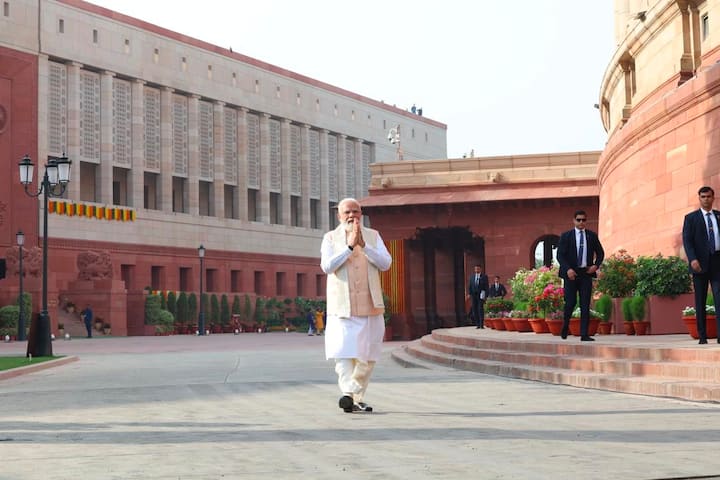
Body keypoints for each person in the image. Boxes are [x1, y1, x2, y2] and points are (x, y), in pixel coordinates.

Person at [320, 198, 392, 413]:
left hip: (370, 305)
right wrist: (349, 246)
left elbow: (386, 264)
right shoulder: (330, 238)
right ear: (339, 215)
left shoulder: (374, 236)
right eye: (347, 212)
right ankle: (350, 393)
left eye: (356, 212)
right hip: (342, 307)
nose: (352, 216)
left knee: (367, 356)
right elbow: (327, 266)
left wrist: (364, 246)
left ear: (361, 214)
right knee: (343, 353)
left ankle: (353, 396)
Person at [557, 210, 605, 341]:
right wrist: (567, 269)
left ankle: (584, 334)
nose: (581, 222)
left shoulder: (591, 236)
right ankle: (565, 326)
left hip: (585, 273)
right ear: (574, 220)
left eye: (583, 220)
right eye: (578, 220)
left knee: (585, 303)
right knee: (570, 303)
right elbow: (560, 255)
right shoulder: (566, 236)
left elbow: (600, 253)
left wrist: (596, 265)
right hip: (571, 274)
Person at [682, 186, 720, 344]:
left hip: (717, 262)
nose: (706, 199)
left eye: (709, 196)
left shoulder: (718, 216)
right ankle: (702, 336)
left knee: (719, 297)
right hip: (699, 263)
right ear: (699, 198)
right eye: (703, 197)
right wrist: (692, 259)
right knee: (700, 299)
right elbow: (687, 240)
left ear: (713, 198)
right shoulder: (691, 218)